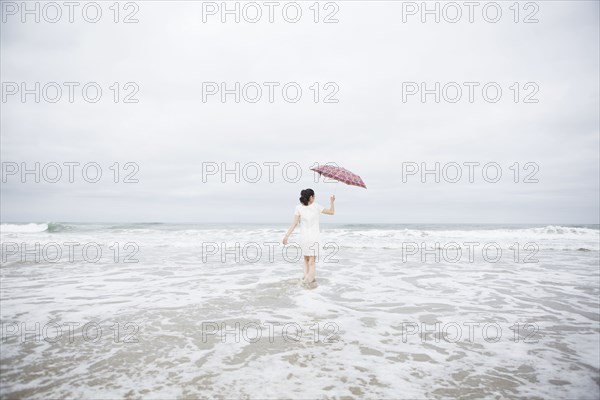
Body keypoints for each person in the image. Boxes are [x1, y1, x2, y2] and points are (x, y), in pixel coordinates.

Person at [282, 188, 335, 285]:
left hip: (304, 237)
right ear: (311, 197)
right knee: (312, 261)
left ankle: (306, 280)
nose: (314, 198)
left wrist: (286, 236)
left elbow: (294, 224)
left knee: (306, 259)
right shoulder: (316, 206)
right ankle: (309, 281)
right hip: (314, 236)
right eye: (314, 196)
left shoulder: (298, 208)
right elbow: (331, 212)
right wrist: (332, 202)